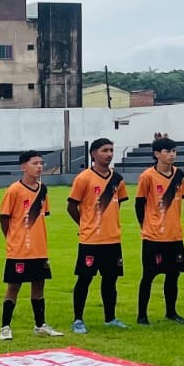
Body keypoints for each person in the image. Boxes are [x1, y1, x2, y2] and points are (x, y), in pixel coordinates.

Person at [65, 137, 129, 333]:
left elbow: (120, 203)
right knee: (85, 279)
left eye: (111, 150)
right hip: (91, 240)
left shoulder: (117, 179)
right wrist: (85, 224)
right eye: (104, 150)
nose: (109, 154)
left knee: (110, 280)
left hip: (112, 239)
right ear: (94, 154)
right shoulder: (84, 178)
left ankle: (110, 318)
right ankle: (78, 319)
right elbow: (71, 206)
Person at [0, 150, 61, 340]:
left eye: (41, 163)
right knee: (14, 286)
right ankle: (5, 326)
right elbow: (4, 218)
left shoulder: (43, 189)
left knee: (39, 285)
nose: (40, 166)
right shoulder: (14, 190)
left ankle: (40, 324)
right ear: (23, 167)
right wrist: (12, 238)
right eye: (35, 163)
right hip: (19, 248)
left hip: (39, 247)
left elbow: (43, 215)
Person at [133, 136, 184, 325]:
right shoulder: (147, 176)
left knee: (173, 275)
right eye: (168, 151)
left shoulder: (179, 175)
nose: (172, 155)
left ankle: (171, 312)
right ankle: (142, 315)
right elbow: (139, 203)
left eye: (174, 151)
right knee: (148, 275)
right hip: (153, 236)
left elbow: (180, 200)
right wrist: (145, 226)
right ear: (157, 154)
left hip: (174, 235)